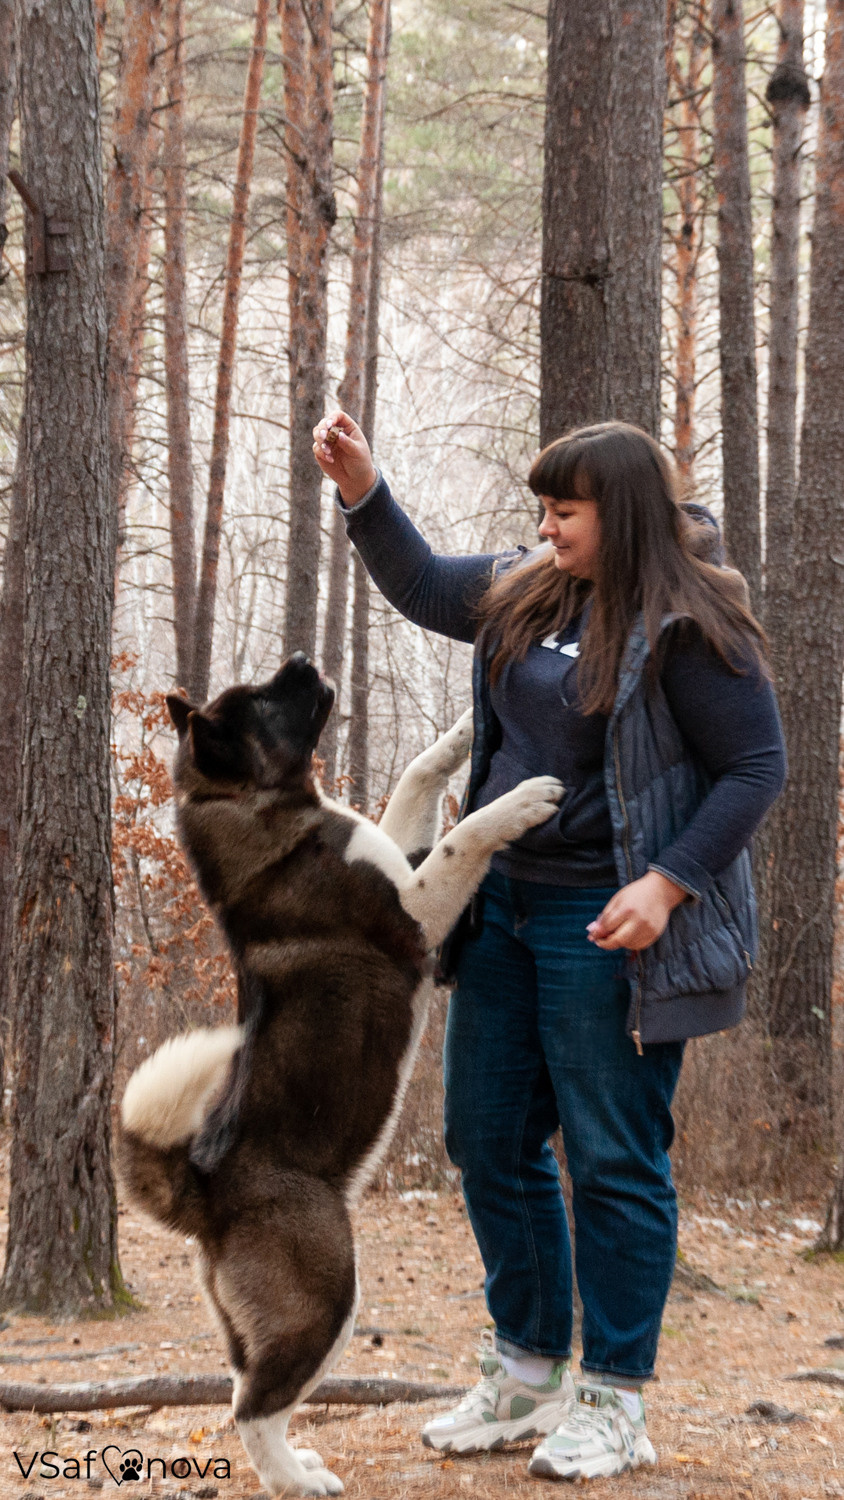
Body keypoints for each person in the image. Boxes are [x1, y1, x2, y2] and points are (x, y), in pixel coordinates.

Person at [312, 413, 786, 1483]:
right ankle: (527, 1372)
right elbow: (425, 584)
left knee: (612, 1158)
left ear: (619, 514)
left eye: (563, 513)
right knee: (486, 1138)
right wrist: (364, 489)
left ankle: (615, 1399)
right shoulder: (531, 586)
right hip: (502, 911)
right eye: (542, 512)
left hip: (607, 925)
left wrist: (666, 885)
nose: (544, 530)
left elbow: (756, 767)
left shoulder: (690, 621)